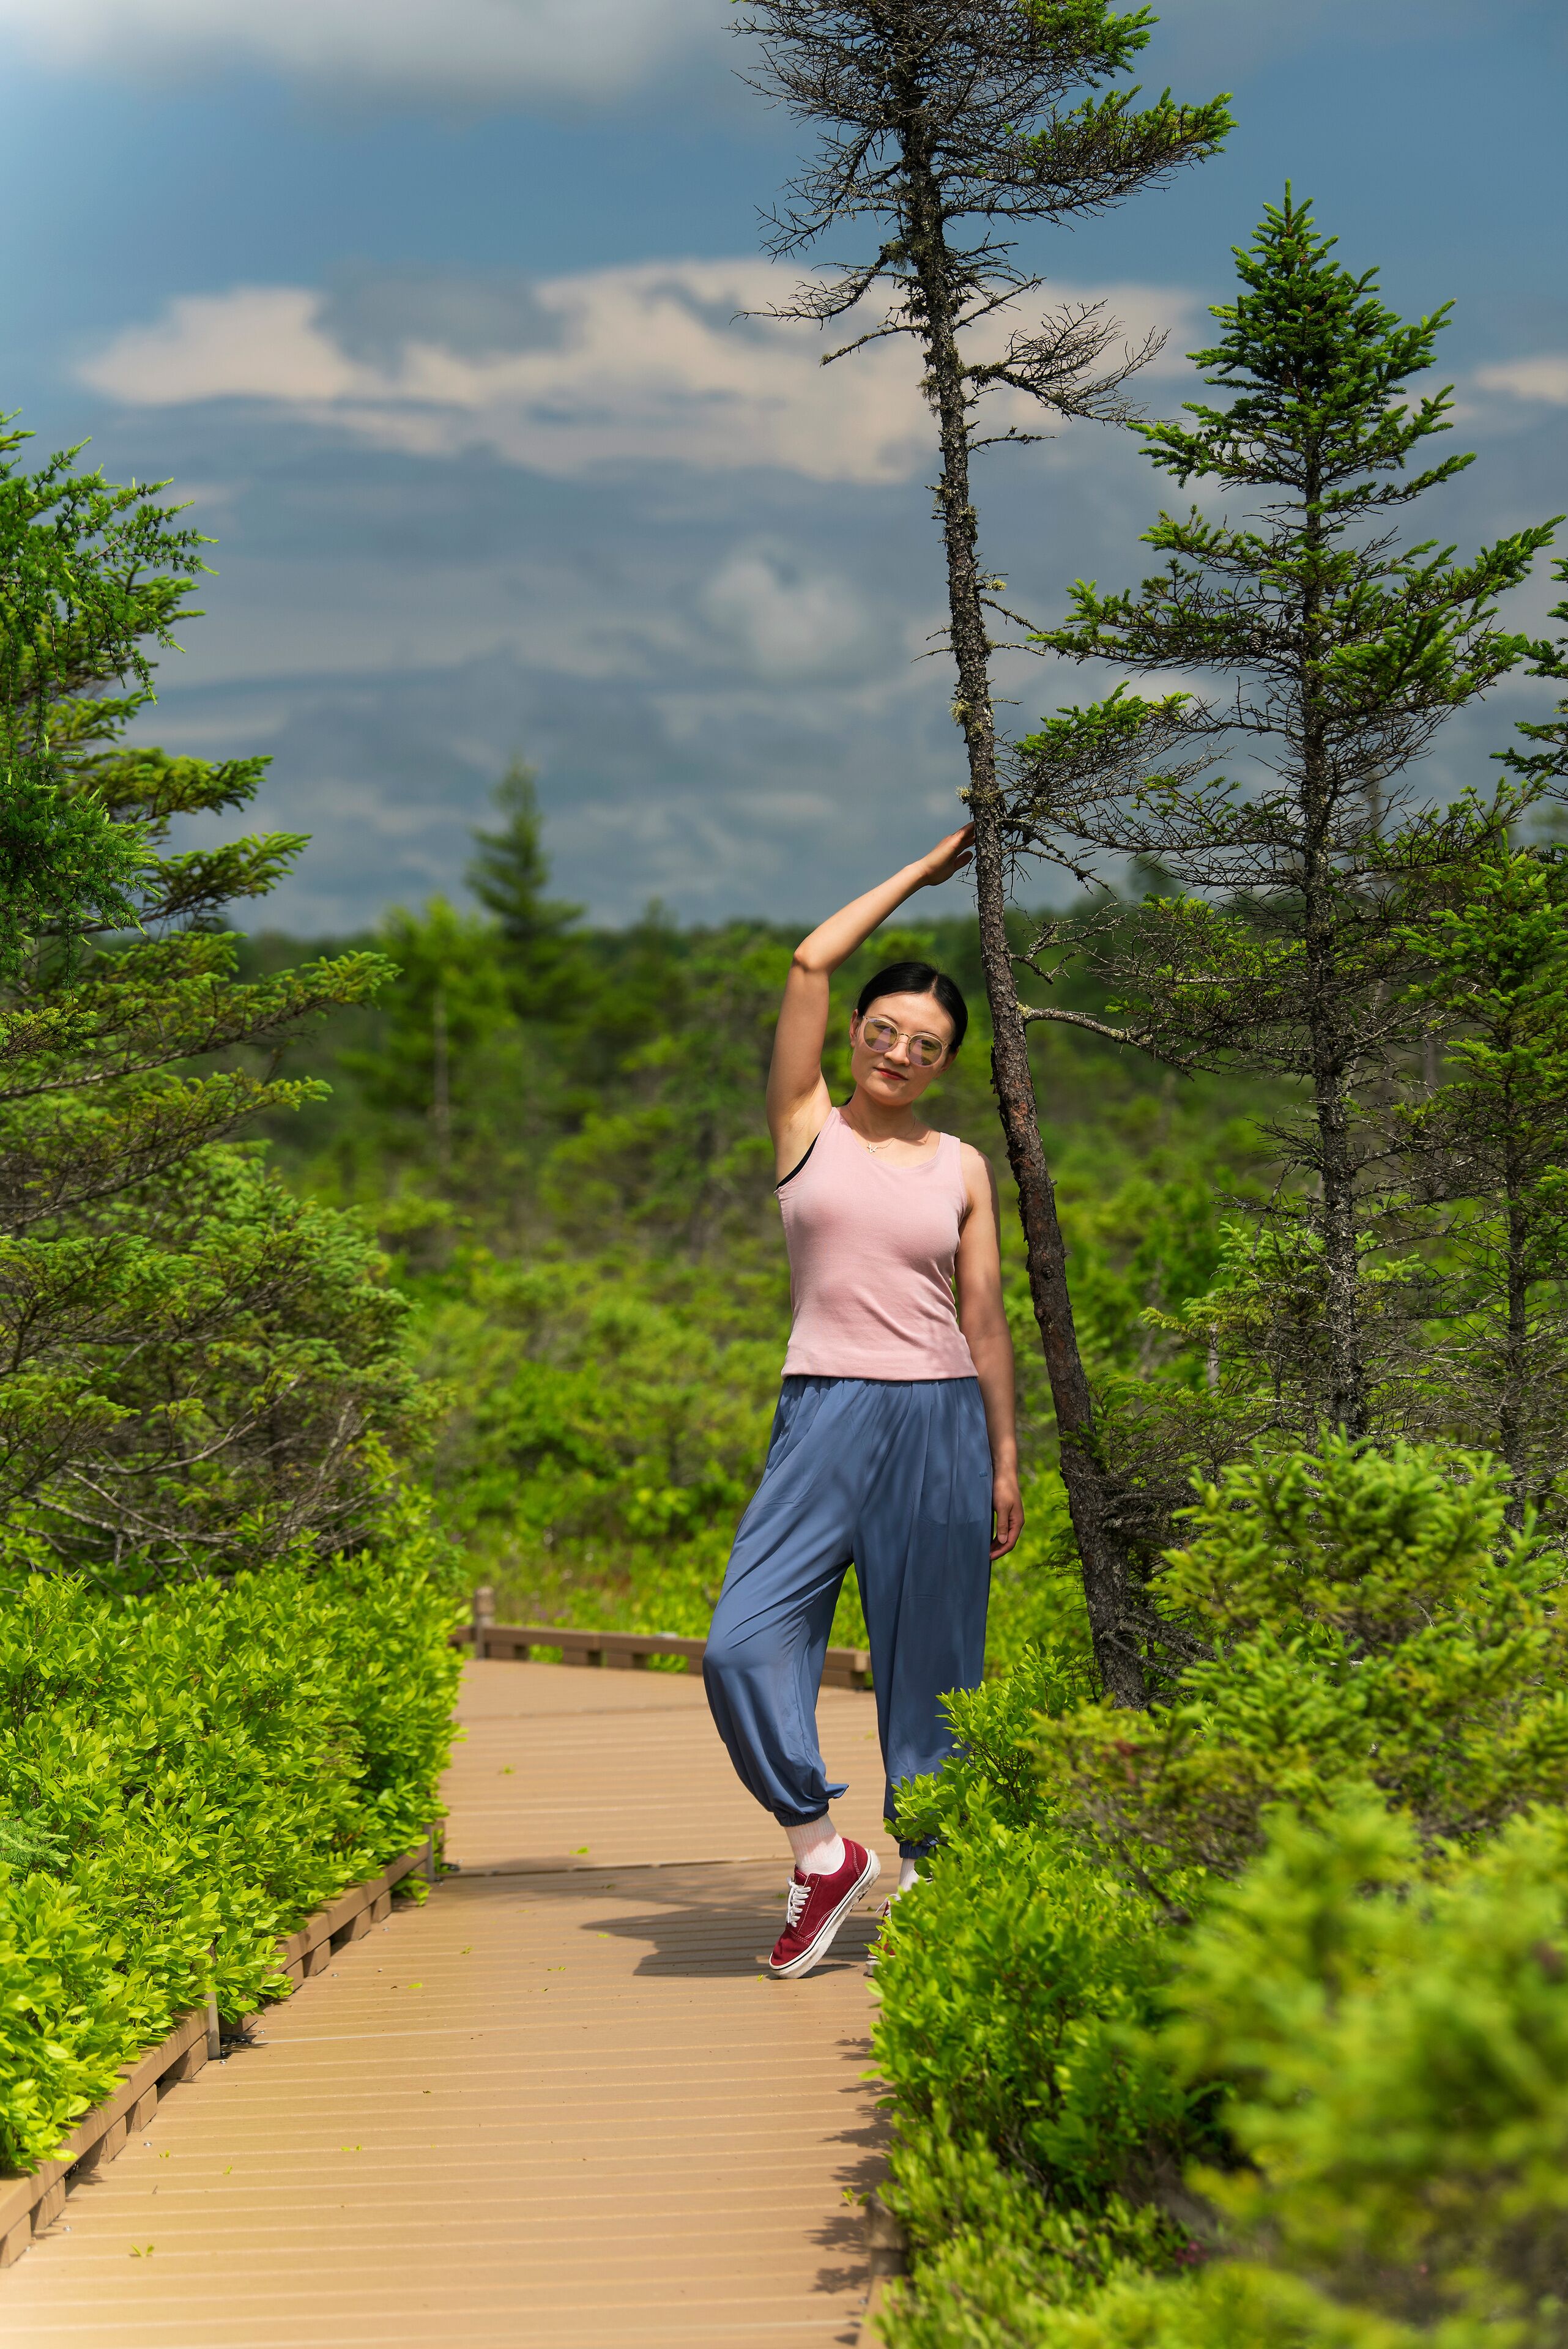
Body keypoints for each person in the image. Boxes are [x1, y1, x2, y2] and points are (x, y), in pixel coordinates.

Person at [703, 825, 1022, 1978]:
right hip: (826, 1411)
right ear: (855, 1037)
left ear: (945, 1064)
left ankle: (933, 1885)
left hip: (942, 1419)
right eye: (883, 1032)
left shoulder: (963, 1166)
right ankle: (819, 1848)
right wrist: (921, 878)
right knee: (740, 1645)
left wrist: (1003, 1455)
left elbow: (984, 1320)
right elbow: (805, 958)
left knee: (936, 1666)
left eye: (924, 1045)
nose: (898, 1052)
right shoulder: (808, 1131)